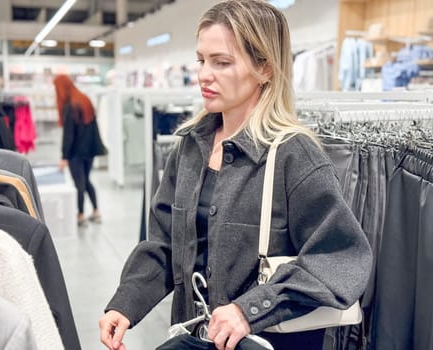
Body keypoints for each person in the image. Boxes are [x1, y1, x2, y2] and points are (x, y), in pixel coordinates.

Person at [99, 1, 372, 349]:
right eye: (201, 60)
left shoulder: (294, 156)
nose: (204, 75)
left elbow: (341, 259)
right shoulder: (189, 148)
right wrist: (126, 302)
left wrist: (251, 310)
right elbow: (165, 245)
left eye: (222, 62)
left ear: (265, 69)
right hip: (193, 335)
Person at [53, 74, 105, 227]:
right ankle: (96, 211)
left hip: (76, 152)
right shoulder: (84, 100)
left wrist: (64, 157)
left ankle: (80, 215)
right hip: (90, 150)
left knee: (79, 184)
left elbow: (68, 134)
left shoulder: (70, 105)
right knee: (86, 180)